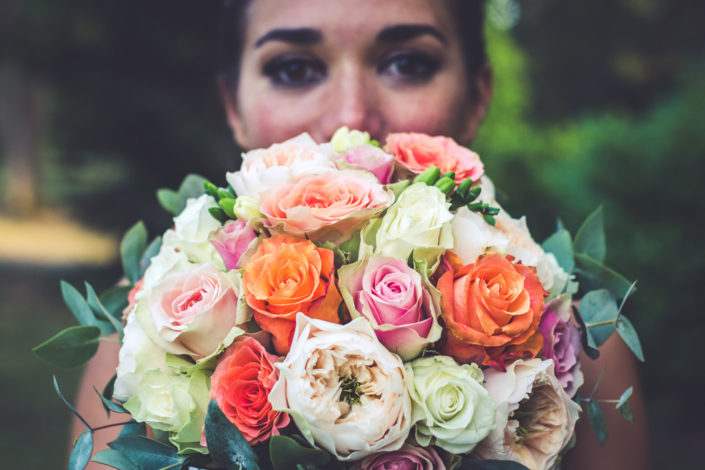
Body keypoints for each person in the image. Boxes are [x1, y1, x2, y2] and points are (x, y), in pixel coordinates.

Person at [73, 1, 649, 468]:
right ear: (234, 106)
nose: (352, 115)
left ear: (477, 96)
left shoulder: (584, 343)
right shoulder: (147, 324)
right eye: (295, 69)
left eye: (407, 63)